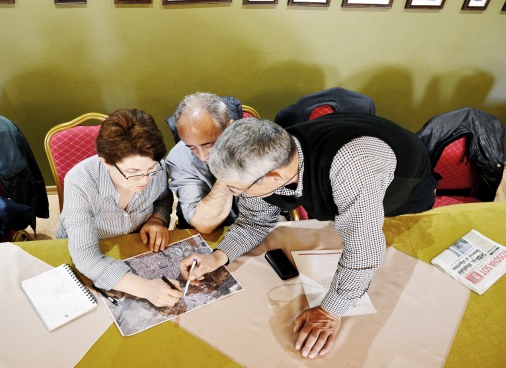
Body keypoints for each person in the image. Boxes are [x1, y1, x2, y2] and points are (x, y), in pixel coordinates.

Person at [179, 114, 437, 358]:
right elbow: (253, 221)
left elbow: (364, 251)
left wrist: (329, 312)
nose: (237, 196)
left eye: (238, 190)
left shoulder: (352, 168)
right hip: (352, 174)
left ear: (275, 177)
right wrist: (218, 257)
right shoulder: (270, 158)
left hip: (404, 192)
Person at [57, 108, 182, 308]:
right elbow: (86, 258)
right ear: (105, 162)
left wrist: (157, 219)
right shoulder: (80, 180)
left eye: (150, 170)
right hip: (85, 249)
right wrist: (145, 289)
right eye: (133, 172)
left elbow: (163, 198)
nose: (145, 180)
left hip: (133, 243)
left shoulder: (155, 166)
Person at [166, 92, 238, 233]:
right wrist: (227, 170)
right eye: (192, 148)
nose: (202, 156)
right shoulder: (178, 158)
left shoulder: (253, 143)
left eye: (208, 145)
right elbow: (203, 223)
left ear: (229, 129)